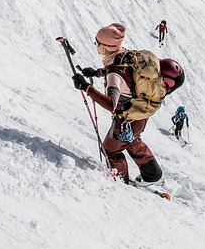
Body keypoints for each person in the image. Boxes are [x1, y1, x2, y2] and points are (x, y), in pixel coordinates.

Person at [72, 23, 182, 188]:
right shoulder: (125, 54)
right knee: (132, 140)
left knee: (111, 150)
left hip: (126, 118)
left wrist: (86, 88)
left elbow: (112, 104)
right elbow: (121, 69)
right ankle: (153, 175)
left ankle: (120, 182)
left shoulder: (114, 75)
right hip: (141, 112)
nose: (95, 45)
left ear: (107, 46)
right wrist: (96, 72)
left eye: (97, 43)